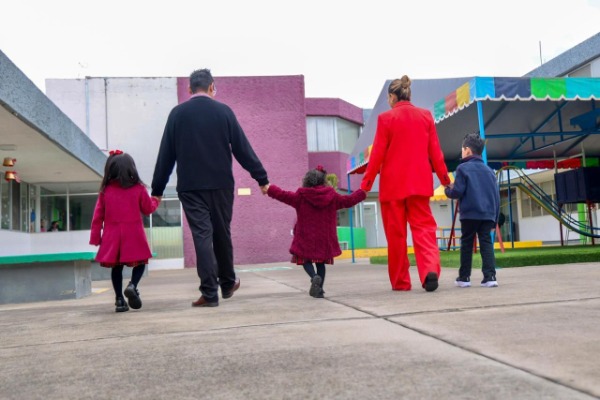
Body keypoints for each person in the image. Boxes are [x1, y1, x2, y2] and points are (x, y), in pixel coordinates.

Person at [151, 68, 269, 308]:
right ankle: (227, 283)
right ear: (212, 87)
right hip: (221, 185)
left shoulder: (177, 114)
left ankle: (210, 292)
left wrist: (157, 189)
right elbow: (242, 149)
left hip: (191, 187)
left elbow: (166, 154)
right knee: (222, 233)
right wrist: (261, 178)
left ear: (189, 89)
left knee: (202, 236)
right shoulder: (224, 112)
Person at [361, 75, 451, 292]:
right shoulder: (425, 116)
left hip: (392, 187)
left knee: (396, 237)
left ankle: (401, 282)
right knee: (424, 230)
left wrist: (366, 185)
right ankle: (429, 270)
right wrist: (445, 180)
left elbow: (377, 155)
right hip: (419, 184)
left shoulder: (385, 119)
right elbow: (436, 153)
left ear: (392, 97)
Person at [267, 166, 366, 298]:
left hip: (305, 236)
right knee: (321, 263)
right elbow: (348, 201)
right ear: (323, 180)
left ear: (307, 181)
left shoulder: (301, 196)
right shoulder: (332, 196)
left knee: (304, 260)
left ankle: (314, 277)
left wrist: (269, 188)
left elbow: (283, 195)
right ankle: (319, 290)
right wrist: (362, 192)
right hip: (324, 237)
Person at [90, 150, 161, 312]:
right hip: (134, 234)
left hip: (112, 236)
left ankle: (119, 300)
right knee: (141, 263)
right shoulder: (139, 189)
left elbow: (97, 217)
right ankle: (132, 286)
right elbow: (147, 209)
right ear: (131, 168)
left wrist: (96, 238)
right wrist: (156, 201)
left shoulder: (106, 191)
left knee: (117, 268)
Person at [445, 133, 500, 288]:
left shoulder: (462, 168)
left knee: (467, 244)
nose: (461, 152)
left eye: (462, 150)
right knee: (486, 243)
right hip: (488, 215)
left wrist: (447, 190)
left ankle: (464, 278)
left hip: (469, 214)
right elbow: (496, 197)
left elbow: (457, 192)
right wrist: (494, 220)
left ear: (467, 150)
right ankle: (490, 277)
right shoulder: (490, 171)